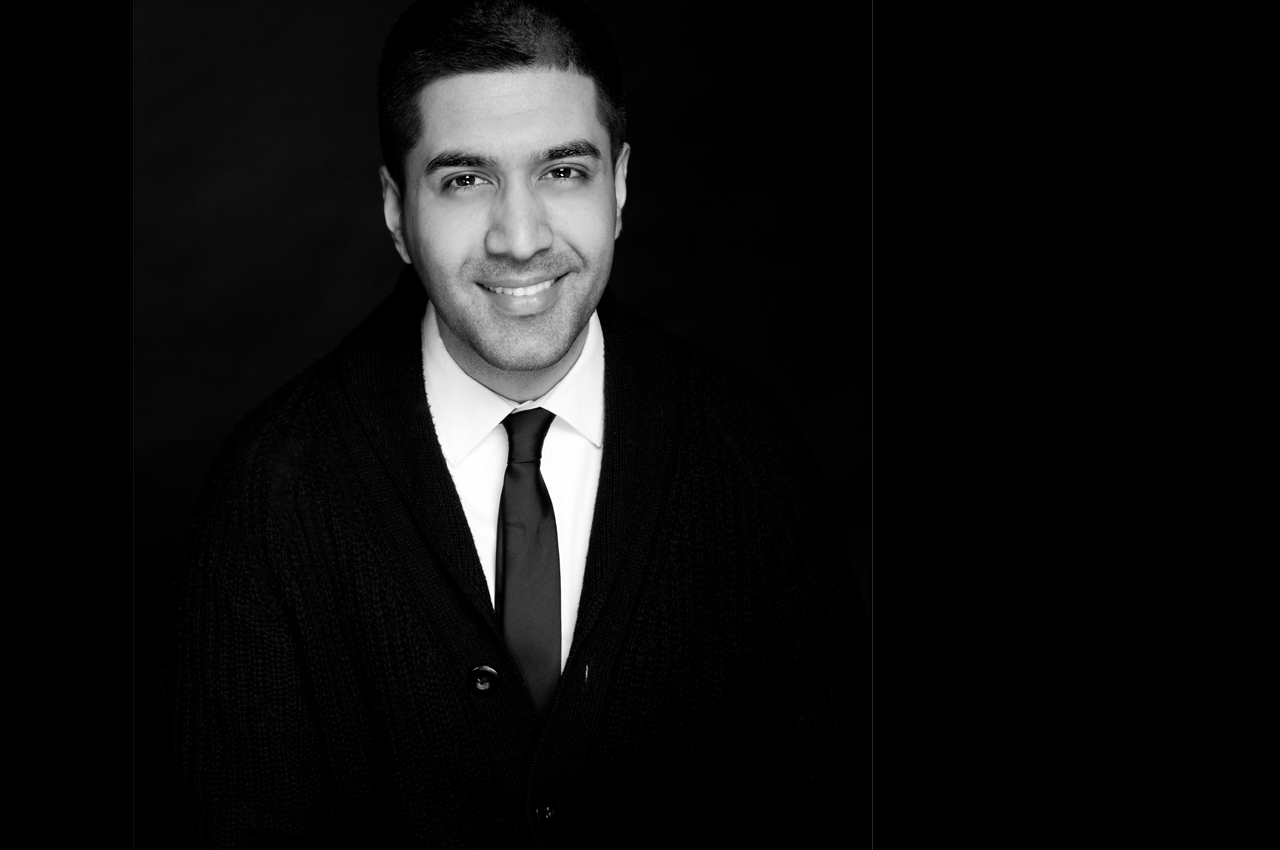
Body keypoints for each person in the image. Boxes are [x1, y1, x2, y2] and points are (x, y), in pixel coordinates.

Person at [172, 0, 871, 845]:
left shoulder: (751, 457)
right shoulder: (268, 498)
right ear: (396, 212)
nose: (519, 238)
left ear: (619, 186)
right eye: (466, 180)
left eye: (563, 171)